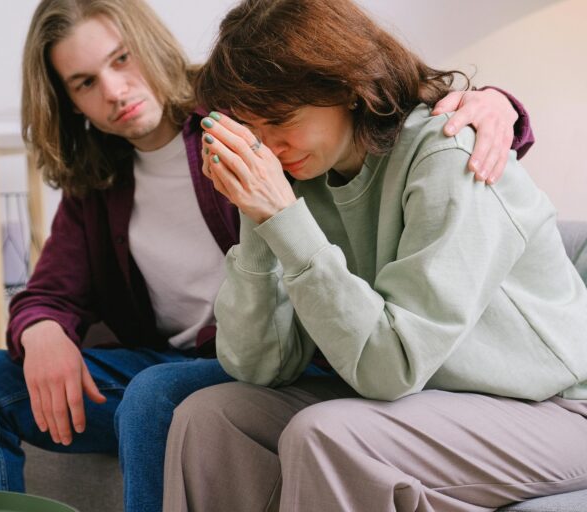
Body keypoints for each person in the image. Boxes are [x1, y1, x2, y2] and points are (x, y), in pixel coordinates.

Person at [0, 1, 533, 511]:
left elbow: (390, 120)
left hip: (286, 355)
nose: (114, 91)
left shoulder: (244, 117)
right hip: (181, 359)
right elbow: (49, 290)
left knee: (157, 393)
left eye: (121, 59)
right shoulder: (99, 176)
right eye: (84, 82)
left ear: (150, 44)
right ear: (68, 100)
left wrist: (497, 104)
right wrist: (40, 331)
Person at [162, 0, 587, 510]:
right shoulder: (303, 172)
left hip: (554, 409)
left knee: (328, 434)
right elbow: (259, 366)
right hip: (431, 399)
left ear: (343, 86)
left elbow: (392, 366)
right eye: (253, 128)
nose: (267, 146)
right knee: (209, 417)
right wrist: (258, 218)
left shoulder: (449, 156)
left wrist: (284, 219)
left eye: (279, 120)